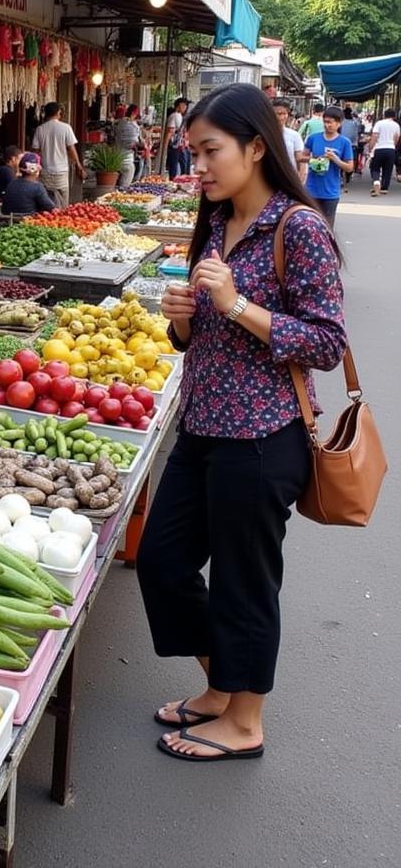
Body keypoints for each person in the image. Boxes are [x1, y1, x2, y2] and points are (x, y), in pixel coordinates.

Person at [139, 82, 346, 762]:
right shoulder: (217, 220)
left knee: (243, 580)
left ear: (256, 148)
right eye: (192, 151)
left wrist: (234, 306)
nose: (195, 166)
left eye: (209, 151)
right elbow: (203, 339)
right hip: (202, 426)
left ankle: (244, 721)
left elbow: (326, 342)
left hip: (263, 438)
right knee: (163, 562)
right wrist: (182, 325)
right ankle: (222, 688)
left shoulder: (300, 228)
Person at [303, 105, 353, 225]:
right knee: (310, 224)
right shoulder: (313, 138)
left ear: (339, 123)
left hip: (331, 191)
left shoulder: (344, 142)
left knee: (327, 226)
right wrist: (313, 160)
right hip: (311, 189)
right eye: (325, 122)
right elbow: (300, 157)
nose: (327, 125)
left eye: (330, 122)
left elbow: (350, 167)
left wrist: (335, 159)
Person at [31, 102, 83, 207]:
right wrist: (78, 165)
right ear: (58, 112)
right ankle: (63, 219)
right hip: (61, 172)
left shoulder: (40, 129)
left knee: (46, 201)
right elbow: (71, 149)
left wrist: (35, 171)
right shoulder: (65, 128)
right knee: (63, 202)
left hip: (45, 172)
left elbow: (35, 153)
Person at [367, 107, 400, 196]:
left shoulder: (379, 123)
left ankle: (376, 182)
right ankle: (384, 188)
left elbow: (374, 136)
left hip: (379, 149)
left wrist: (370, 147)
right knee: (388, 169)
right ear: (394, 116)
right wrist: (392, 146)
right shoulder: (396, 125)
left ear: (384, 115)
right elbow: (396, 138)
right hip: (391, 149)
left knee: (375, 167)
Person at [271, 98, 306, 181]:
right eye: (278, 114)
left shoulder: (294, 135)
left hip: (289, 180)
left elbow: (300, 160)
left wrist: (300, 181)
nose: (282, 117)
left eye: (284, 113)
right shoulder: (263, 134)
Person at [113, 104, 141, 188]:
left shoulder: (121, 122)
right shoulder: (129, 124)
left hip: (118, 156)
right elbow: (131, 143)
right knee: (124, 185)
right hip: (126, 159)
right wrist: (140, 144)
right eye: (137, 113)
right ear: (133, 113)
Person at [162, 97, 189, 180]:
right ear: (179, 105)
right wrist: (165, 148)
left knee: (184, 166)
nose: (186, 107)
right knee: (174, 168)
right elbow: (169, 132)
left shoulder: (179, 116)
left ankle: (183, 183)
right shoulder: (174, 116)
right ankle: (173, 184)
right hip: (174, 147)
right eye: (184, 105)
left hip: (179, 146)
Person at [339, 107, 360, 190]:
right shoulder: (354, 123)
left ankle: (341, 178)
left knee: (340, 162)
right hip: (352, 144)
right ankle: (348, 176)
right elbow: (356, 135)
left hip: (340, 144)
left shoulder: (340, 123)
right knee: (350, 161)